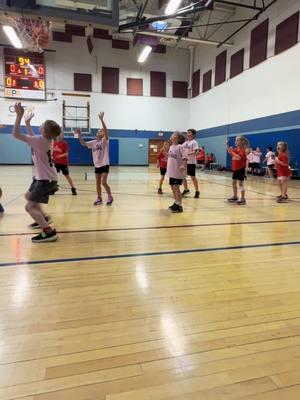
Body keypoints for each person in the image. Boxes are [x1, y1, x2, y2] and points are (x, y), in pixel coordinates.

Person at [12, 102, 60, 242]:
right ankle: (43, 217)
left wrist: (19, 116)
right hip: (44, 178)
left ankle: (48, 231)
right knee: (28, 196)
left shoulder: (39, 141)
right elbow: (34, 138)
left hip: (45, 180)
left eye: (42, 124)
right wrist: (27, 123)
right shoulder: (44, 141)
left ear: (44, 131)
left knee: (29, 207)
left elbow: (15, 134)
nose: (40, 125)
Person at [77, 112, 113, 206]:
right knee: (97, 183)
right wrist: (79, 134)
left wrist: (101, 119)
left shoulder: (105, 141)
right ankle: (99, 198)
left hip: (105, 164)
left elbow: (106, 130)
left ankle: (109, 196)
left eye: (101, 131)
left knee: (103, 182)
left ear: (104, 134)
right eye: (98, 131)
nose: (99, 132)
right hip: (97, 165)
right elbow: (83, 143)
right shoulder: (93, 142)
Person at [167, 131, 187, 213]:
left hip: (177, 171)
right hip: (171, 171)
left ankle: (179, 205)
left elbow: (185, 158)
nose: (171, 136)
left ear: (177, 138)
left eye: (174, 135)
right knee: (172, 187)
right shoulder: (171, 146)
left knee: (176, 187)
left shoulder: (180, 147)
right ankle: (176, 202)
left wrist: (183, 165)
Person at [226, 136, 249, 205]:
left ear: (242, 142)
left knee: (240, 184)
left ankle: (242, 198)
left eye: (238, 140)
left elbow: (238, 157)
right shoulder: (236, 149)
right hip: (235, 169)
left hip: (241, 169)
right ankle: (235, 196)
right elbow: (229, 151)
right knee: (233, 182)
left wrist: (231, 152)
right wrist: (227, 144)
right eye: (236, 140)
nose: (236, 142)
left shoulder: (243, 150)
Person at [182, 129, 200, 198]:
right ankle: (186, 189)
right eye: (187, 133)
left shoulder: (194, 142)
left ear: (193, 135)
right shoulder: (185, 143)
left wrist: (187, 153)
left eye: (189, 133)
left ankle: (197, 191)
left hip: (191, 162)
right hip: (184, 162)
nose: (187, 134)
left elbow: (196, 152)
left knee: (193, 177)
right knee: (183, 176)